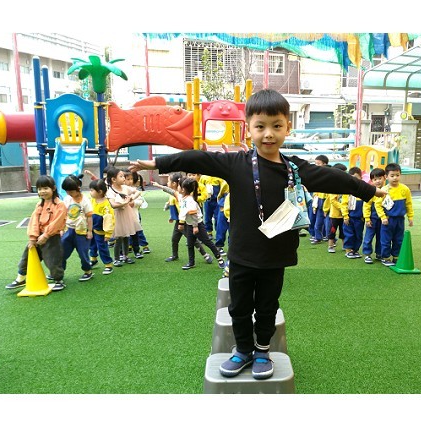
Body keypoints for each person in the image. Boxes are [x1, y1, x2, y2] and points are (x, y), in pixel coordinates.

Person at [130, 89, 385, 380]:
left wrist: (369, 190)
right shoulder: (236, 163)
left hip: (275, 256)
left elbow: (333, 179)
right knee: (239, 307)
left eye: (277, 126)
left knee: (267, 307)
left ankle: (262, 350)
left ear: (288, 127)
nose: (268, 134)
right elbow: (199, 158)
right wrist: (159, 163)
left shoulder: (294, 170)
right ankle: (242, 350)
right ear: (248, 129)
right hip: (242, 254)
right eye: (260, 126)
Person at [6, 176, 67, 291]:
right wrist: (33, 237)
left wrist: (46, 235)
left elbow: (57, 222)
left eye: (45, 188)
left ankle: (58, 280)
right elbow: (34, 221)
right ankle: (21, 278)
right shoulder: (39, 205)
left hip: (52, 237)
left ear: (53, 188)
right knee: (27, 256)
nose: (42, 191)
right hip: (38, 236)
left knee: (53, 260)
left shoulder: (60, 205)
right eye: (39, 189)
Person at [153, 173, 213, 265]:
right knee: (174, 239)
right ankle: (175, 255)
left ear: (174, 183)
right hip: (179, 221)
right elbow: (173, 204)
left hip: (185, 222)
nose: (167, 183)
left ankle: (205, 255)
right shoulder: (177, 193)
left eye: (168, 181)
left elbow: (185, 208)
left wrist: (159, 186)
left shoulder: (181, 195)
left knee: (193, 241)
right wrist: (172, 216)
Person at [177, 177, 226, 270]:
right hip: (190, 225)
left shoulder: (190, 200)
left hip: (197, 225)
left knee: (207, 242)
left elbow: (194, 214)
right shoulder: (183, 198)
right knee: (190, 244)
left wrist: (195, 226)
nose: (178, 188)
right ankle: (191, 262)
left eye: (179, 186)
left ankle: (220, 259)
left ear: (183, 189)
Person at [375, 162, 414, 266]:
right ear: (386, 177)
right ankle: (385, 257)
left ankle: (396, 257)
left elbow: (409, 204)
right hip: (388, 220)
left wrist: (410, 217)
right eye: (392, 176)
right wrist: (383, 217)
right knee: (386, 239)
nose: (395, 178)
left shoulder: (405, 189)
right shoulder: (384, 190)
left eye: (397, 175)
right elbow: (378, 205)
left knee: (399, 239)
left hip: (400, 220)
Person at [105, 167, 142, 267]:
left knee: (126, 236)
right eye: (121, 176)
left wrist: (131, 198)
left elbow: (137, 192)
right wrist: (125, 202)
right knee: (119, 238)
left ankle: (125, 256)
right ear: (113, 179)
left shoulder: (125, 188)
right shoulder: (110, 191)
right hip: (118, 216)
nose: (124, 178)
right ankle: (117, 258)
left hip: (127, 214)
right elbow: (113, 205)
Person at [61, 174, 94, 282]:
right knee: (62, 252)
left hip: (82, 232)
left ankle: (87, 271)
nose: (68, 193)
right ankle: (58, 272)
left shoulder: (85, 201)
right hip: (69, 230)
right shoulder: (67, 199)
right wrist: (61, 229)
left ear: (78, 188)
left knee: (83, 253)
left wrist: (90, 231)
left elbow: (89, 217)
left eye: (71, 191)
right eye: (67, 191)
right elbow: (64, 215)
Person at [88, 179, 115, 275]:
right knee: (92, 245)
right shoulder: (92, 200)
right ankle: (93, 259)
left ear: (99, 192)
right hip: (92, 228)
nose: (90, 192)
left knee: (102, 247)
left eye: (92, 190)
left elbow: (109, 220)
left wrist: (108, 233)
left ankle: (108, 264)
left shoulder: (106, 204)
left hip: (101, 231)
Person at [362, 167, 386, 264]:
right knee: (369, 237)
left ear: (384, 178)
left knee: (381, 237)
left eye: (380, 178)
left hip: (383, 220)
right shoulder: (371, 192)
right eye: (375, 179)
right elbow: (366, 206)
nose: (378, 181)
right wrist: (367, 219)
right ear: (371, 181)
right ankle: (367, 254)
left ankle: (379, 253)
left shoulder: (387, 190)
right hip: (372, 219)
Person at [340, 167, 365, 259]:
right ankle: (348, 250)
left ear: (361, 178)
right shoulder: (347, 191)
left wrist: (365, 217)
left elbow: (366, 205)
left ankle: (355, 250)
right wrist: (345, 216)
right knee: (349, 234)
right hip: (349, 218)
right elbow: (344, 204)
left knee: (358, 235)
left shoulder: (363, 190)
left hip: (359, 219)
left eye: (356, 178)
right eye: (352, 178)